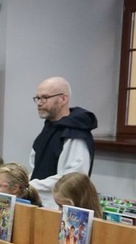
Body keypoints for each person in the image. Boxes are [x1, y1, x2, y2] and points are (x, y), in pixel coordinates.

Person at [29, 76, 98, 208]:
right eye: (37, 98)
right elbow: (36, 169)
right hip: (39, 205)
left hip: (61, 208)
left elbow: (73, 178)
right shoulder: (48, 129)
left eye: (45, 97)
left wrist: (30, 187)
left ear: (63, 99)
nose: (39, 102)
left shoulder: (75, 133)